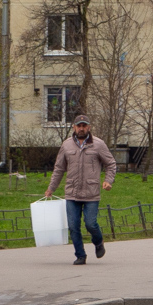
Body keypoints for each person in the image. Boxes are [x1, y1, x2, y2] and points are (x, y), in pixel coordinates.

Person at [44, 114, 116, 265]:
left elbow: (110, 163)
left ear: (89, 127)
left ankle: (98, 242)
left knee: (90, 223)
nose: (81, 128)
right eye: (79, 126)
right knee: (73, 225)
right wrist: (51, 188)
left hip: (91, 192)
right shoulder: (66, 145)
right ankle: (80, 255)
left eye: (84, 126)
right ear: (74, 127)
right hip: (72, 192)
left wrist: (108, 181)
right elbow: (59, 169)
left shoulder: (98, 144)